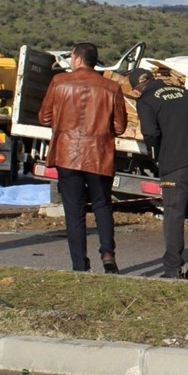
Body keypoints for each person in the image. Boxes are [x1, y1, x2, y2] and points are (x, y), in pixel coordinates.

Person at [38, 42, 127, 273]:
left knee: (74, 211)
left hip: (67, 153)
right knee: (102, 205)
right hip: (99, 154)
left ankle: (79, 265)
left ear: (77, 59)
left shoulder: (59, 82)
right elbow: (119, 126)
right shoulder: (111, 87)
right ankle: (107, 254)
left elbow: (44, 117)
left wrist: (63, 123)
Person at [131, 67, 188, 281]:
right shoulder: (186, 94)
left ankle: (172, 269)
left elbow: (150, 134)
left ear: (138, 89)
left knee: (174, 216)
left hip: (175, 166)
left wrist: (157, 156)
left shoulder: (146, 101)